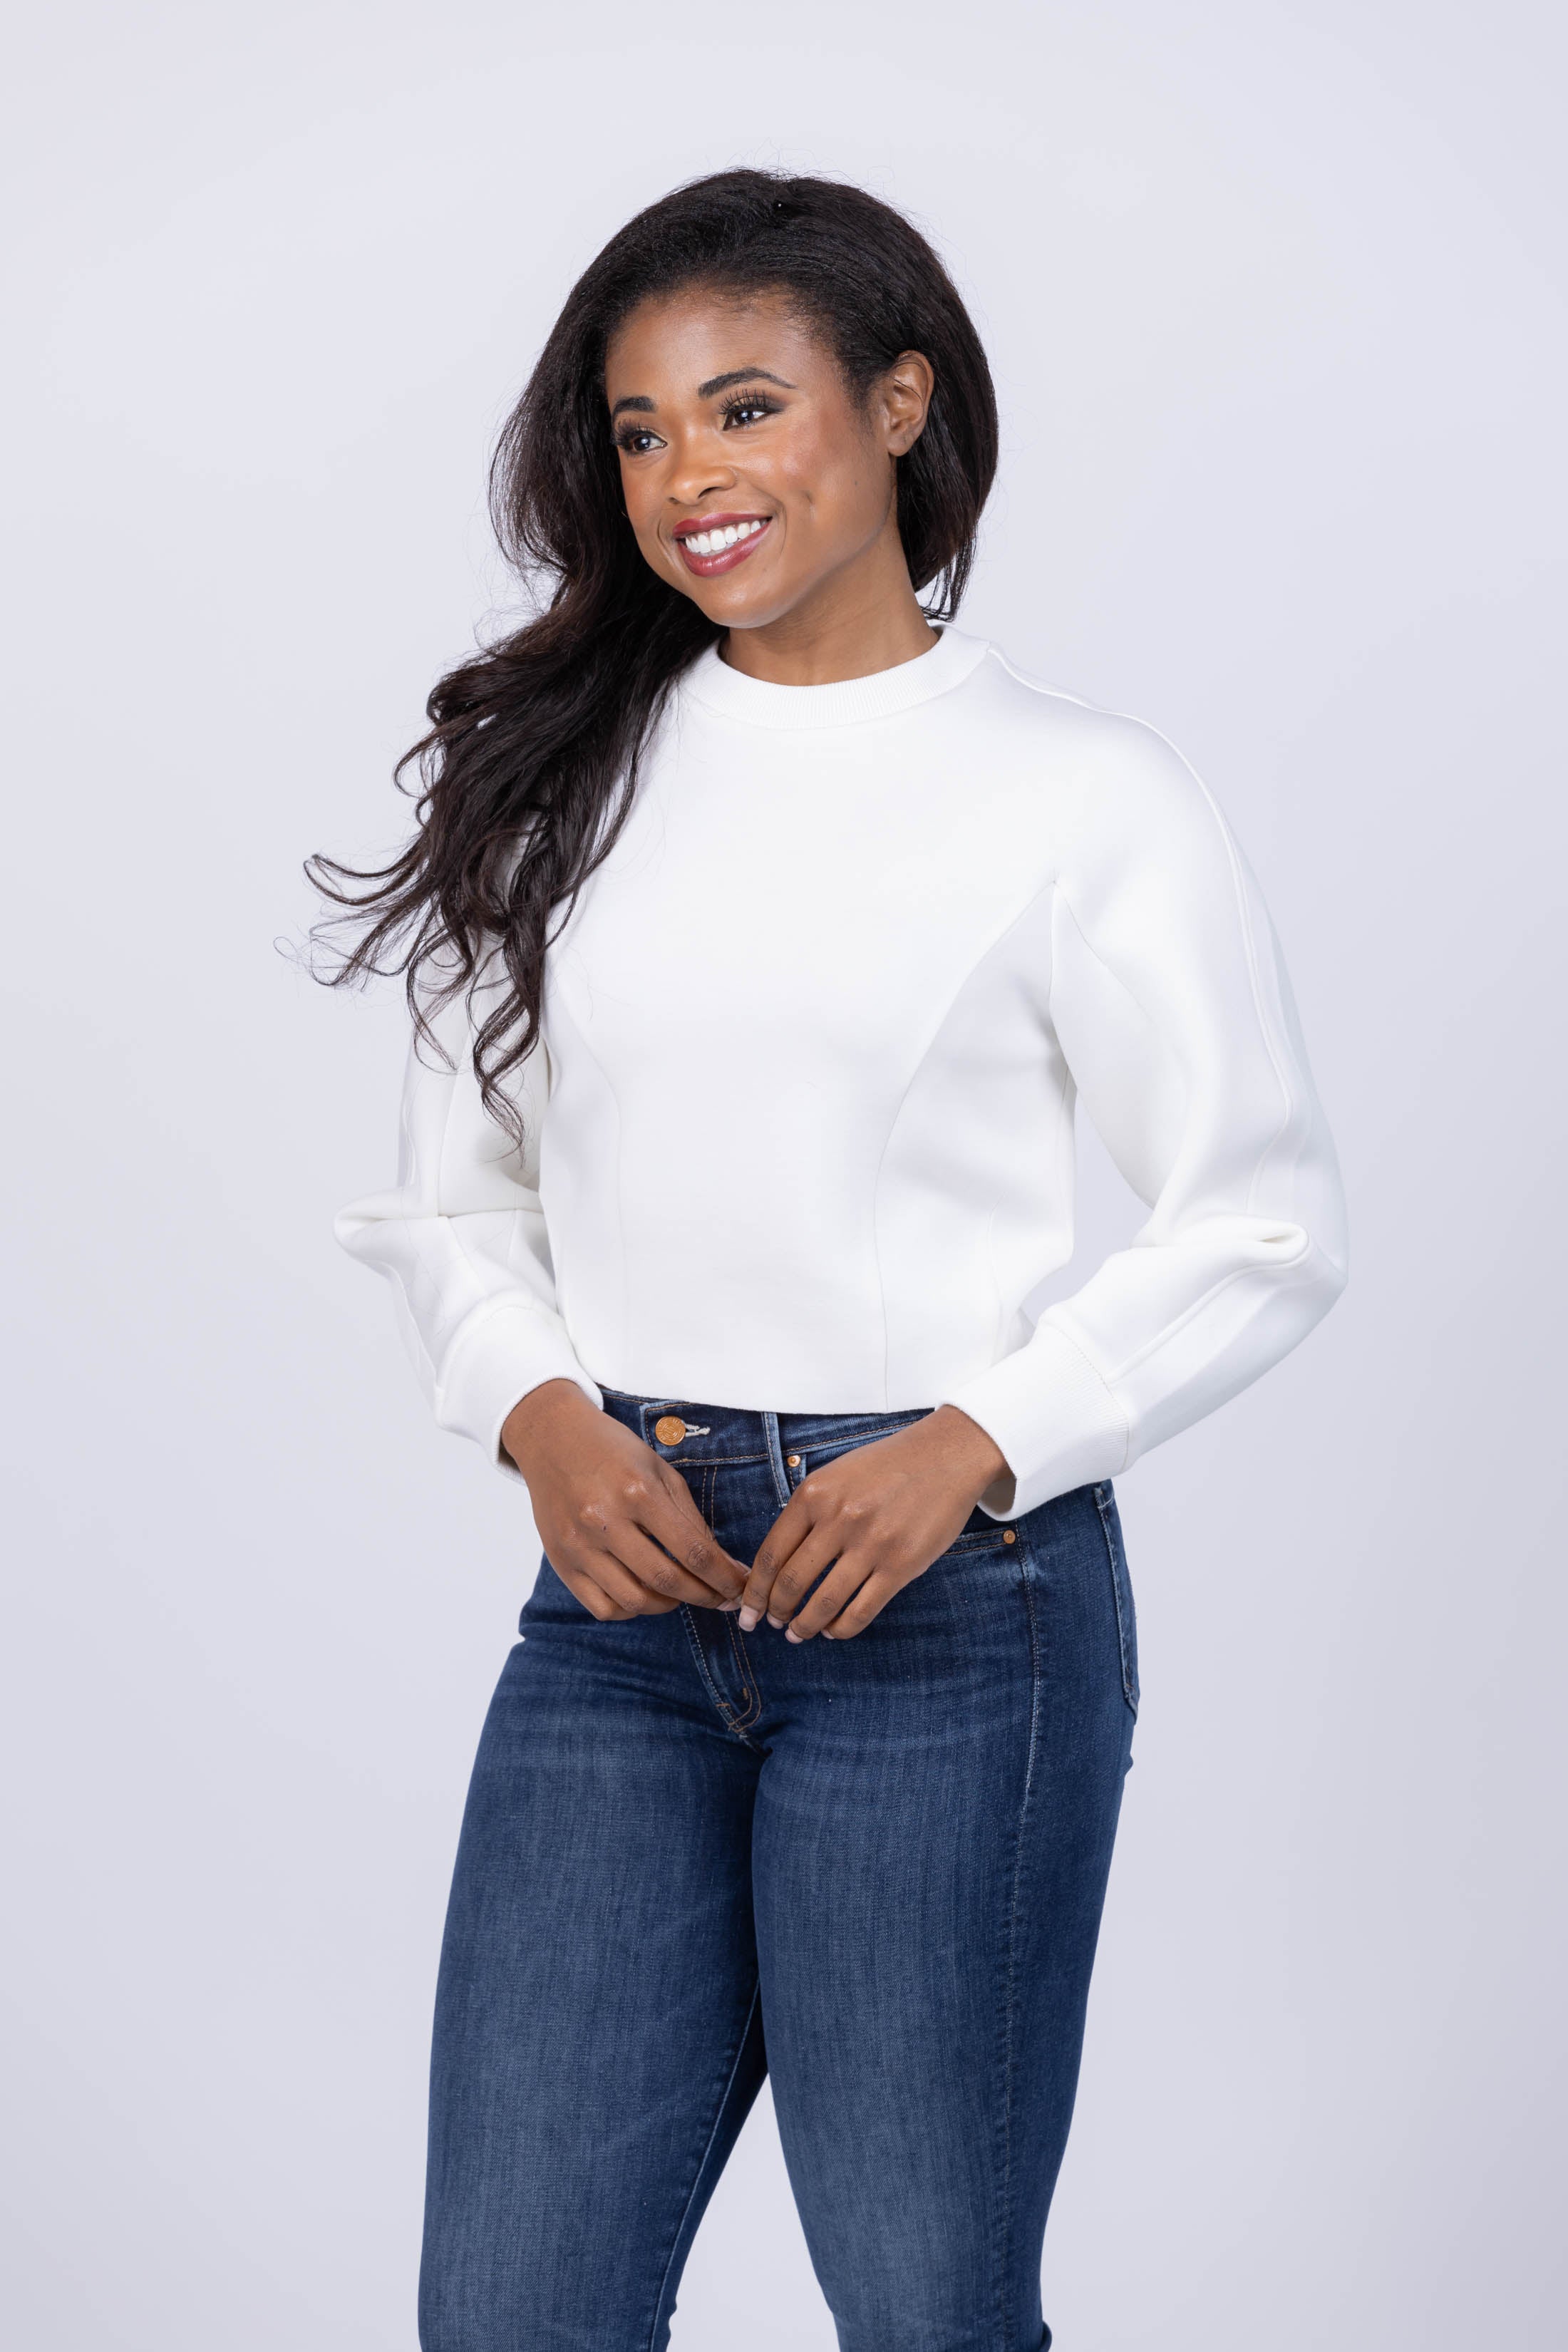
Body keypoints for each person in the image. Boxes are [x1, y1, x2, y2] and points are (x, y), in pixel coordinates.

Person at [312, 167, 1348, 2352]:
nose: (688, 474)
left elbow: (1262, 1217)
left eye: (746, 407)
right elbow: (450, 1195)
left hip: (954, 1611)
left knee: (927, 2308)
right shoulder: (559, 777)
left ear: (899, 404)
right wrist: (540, 1414)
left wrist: (977, 1440)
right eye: (640, 430)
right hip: (619, 1607)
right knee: (510, 2310)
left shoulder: (1081, 796)